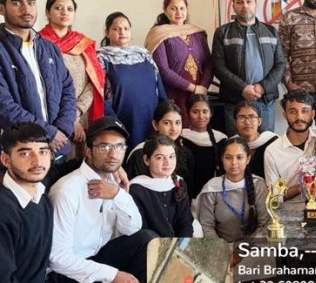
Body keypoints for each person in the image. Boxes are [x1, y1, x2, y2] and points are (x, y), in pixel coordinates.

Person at [48, 116, 156, 283]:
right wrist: (112, 274)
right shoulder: (66, 190)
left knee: (147, 241)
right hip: (68, 272)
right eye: (104, 147)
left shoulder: (114, 183)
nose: (113, 154)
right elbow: (57, 258)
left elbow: (132, 229)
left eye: (119, 146)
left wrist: (118, 196)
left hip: (98, 257)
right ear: (88, 150)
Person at [0, 0, 76, 158]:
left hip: (58, 148)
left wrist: (62, 131)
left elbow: (67, 90)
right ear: (2, 8)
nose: (26, 9)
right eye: (16, 3)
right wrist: (48, 133)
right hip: (21, 152)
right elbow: (4, 106)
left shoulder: (49, 47)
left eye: (31, 3)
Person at [212, 0, 285, 135]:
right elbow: (218, 66)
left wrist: (262, 87)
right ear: (233, 5)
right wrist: (242, 88)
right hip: (234, 101)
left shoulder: (271, 31)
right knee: (236, 148)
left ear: (255, 4)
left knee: (266, 146)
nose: (244, 6)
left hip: (264, 101)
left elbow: (280, 64)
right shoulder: (222, 32)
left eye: (248, 1)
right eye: (239, 2)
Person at [39, 0, 105, 156]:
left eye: (69, 9)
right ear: (47, 12)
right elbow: (41, 85)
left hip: (84, 113)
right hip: (53, 117)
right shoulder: (38, 43)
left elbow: (95, 82)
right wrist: (70, 119)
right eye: (58, 8)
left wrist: (77, 112)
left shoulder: (83, 43)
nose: (64, 12)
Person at [98, 12, 168, 149]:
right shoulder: (100, 59)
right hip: (121, 121)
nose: (122, 32)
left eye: (126, 28)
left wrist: (164, 114)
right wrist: (113, 124)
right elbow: (98, 95)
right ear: (107, 32)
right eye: (116, 28)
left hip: (150, 120)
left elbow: (159, 87)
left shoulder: (144, 55)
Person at [145, 0, 213, 127]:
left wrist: (203, 87)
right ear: (165, 10)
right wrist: (193, 88)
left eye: (182, 8)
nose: (178, 12)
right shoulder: (159, 35)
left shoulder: (197, 33)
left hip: (199, 95)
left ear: (187, 10)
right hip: (174, 94)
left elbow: (209, 63)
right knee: (176, 129)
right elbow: (163, 70)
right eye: (173, 8)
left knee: (200, 130)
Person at [0, 123, 53, 283]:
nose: (37, 161)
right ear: (6, 159)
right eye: (25, 153)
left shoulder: (41, 196)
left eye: (43, 152)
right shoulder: (3, 210)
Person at [198, 137, 270, 242]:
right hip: (222, 248)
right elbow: (207, 226)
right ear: (222, 159)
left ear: (248, 159)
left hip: (254, 247)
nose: (234, 162)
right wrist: (222, 249)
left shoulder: (258, 185)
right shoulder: (211, 188)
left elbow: (265, 224)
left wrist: (243, 248)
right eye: (228, 157)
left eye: (239, 157)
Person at [130, 134, 194, 237]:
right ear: (146, 160)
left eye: (171, 157)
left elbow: (185, 223)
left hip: (177, 246)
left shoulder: (179, 182)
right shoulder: (136, 188)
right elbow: (141, 229)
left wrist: (181, 246)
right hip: (149, 245)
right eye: (160, 158)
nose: (167, 162)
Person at [125, 101, 194, 191]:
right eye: (167, 123)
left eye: (178, 123)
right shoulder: (141, 153)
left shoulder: (185, 152)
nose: (173, 128)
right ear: (155, 125)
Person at [181, 94, 227, 199]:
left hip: (213, 193)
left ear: (211, 113)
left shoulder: (221, 139)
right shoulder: (181, 138)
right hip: (187, 194)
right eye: (195, 112)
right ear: (188, 113)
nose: (201, 116)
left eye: (205, 111)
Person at [230, 101, 278, 179]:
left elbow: (281, 175)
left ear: (259, 121)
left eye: (252, 117)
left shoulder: (273, 142)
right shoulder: (231, 145)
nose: (247, 122)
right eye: (242, 118)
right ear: (235, 123)